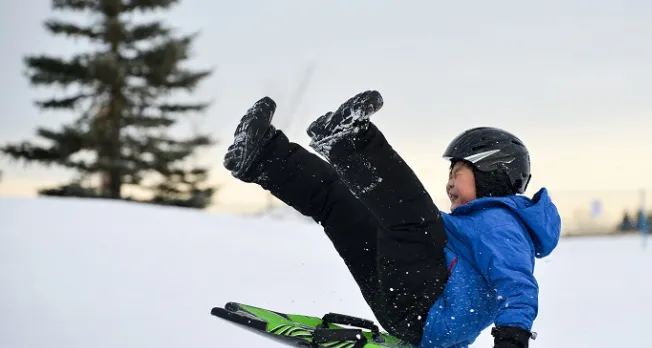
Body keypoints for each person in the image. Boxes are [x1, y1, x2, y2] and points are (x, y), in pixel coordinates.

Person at [223, 90, 561, 348]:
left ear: (492, 173)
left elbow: (517, 284)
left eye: (457, 173)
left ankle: (349, 140)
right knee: (342, 205)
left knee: (413, 214)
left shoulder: (502, 224)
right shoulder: (476, 225)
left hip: (424, 306)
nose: (449, 185)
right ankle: (261, 156)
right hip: (408, 309)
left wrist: (513, 336)